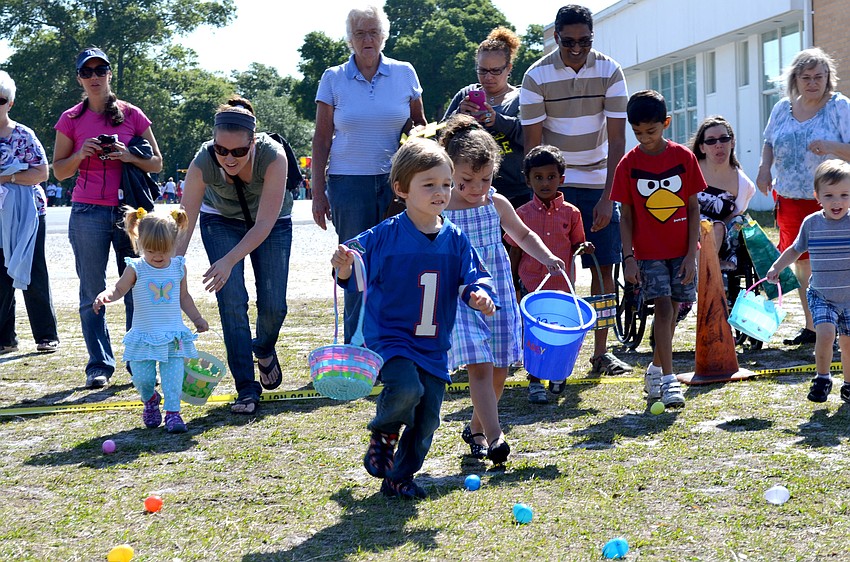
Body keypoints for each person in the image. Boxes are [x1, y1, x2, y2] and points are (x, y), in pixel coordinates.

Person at [332, 138, 496, 499]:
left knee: (427, 420)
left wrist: (478, 294)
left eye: (446, 184)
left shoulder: (455, 239)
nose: (440, 192)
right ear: (401, 189)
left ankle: (399, 476)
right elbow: (351, 266)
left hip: (435, 344)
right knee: (407, 388)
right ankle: (384, 431)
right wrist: (343, 265)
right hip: (391, 337)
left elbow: (473, 276)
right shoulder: (384, 235)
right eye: (429, 185)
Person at [440, 115, 564, 463]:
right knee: (479, 365)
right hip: (462, 294)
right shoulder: (441, 206)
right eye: (467, 180)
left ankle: (477, 428)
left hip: (498, 293)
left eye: (485, 178)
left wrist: (548, 256)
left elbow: (523, 235)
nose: (478, 187)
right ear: (448, 171)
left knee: (499, 370)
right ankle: (495, 437)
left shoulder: (495, 202)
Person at [520, 4, 631, 376]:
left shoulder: (611, 70)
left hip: (598, 182)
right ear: (556, 37)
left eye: (585, 41)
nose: (577, 49)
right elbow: (533, 150)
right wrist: (540, 196)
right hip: (555, 189)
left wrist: (608, 196)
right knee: (547, 274)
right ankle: (544, 351)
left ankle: (601, 354)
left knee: (603, 271)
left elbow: (618, 141)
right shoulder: (535, 76)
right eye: (569, 42)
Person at [312, 4, 427, 343]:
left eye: (373, 32)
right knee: (354, 265)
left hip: (399, 184)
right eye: (360, 33)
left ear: (383, 36)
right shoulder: (333, 78)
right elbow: (320, 140)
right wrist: (319, 193)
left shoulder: (405, 72)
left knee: (398, 261)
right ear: (349, 39)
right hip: (348, 184)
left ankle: (396, 344)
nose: (367, 39)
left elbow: (418, 126)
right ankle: (356, 346)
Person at [53, 47, 163, 388]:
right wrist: (80, 154)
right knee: (91, 290)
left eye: (101, 70)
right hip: (86, 211)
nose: (95, 77)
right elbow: (58, 172)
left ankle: (136, 360)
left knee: (135, 288)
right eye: (88, 72)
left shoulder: (132, 114)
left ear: (109, 74)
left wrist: (128, 155)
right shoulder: (70, 119)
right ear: (79, 79)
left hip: (130, 212)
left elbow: (156, 162)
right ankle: (99, 365)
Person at [177, 97, 292, 416]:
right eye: (221, 150)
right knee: (231, 299)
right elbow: (185, 219)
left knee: (273, 303)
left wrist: (229, 260)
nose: (229, 158)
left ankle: (264, 348)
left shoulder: (274, 156)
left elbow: (265, 224)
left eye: (239, 151)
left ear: (253, 143)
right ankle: (246, 387)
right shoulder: (203, 160)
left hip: (272, 222)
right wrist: (173, 265)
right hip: (221, 220)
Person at [610, 90, 703, 408]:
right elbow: (626, 216)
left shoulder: (684, 158)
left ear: (666, 123)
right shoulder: (628, 164)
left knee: (674, 311)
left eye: (651, 131)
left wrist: (692, 254)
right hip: (647, 254)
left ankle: (655, 368)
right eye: (637, 133)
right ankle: (668, 381)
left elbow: (693, 209)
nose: (645, 138)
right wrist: (628, 257)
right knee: (662, 309)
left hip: (682, 252)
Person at [756, 47, 850, 346]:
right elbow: (769, 141)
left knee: (836, 263)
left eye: (819, 77)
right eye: (806, 77)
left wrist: (830, 145)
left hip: (831, 198)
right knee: (803, 263)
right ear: (795, 79)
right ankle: (813, 326)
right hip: (790, 198)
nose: (812, 83)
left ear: (828, 78)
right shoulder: (782, 108)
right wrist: (763, 169)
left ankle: (840, 324)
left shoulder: (839, 107)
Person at [93, 207, 208, 433]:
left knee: (173, 379)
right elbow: (119, 289)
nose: (157, 256)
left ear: (174, 244)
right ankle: (151, 399)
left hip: (173, 335)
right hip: (144, 336)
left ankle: (173, 413)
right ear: (140, 242)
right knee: (143, 379)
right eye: (151, 250)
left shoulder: (178, 267)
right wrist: (105, 296)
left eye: (163, 251)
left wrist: (197, 318)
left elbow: (184, 297)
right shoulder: (136, 267)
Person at [506, 145, 592, 403]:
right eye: (538, 177)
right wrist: (512, 283)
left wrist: (583, 247)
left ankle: (557, 374)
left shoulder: (572, 213)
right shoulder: (520, 214)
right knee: (534, 334)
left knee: (560, 332)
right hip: (532, 285)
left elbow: (577, 243)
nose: (545, 182)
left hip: (562, 287)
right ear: (528, 179)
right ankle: (534, 381)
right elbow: (515, 251)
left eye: (551, 177)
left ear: (561, 179)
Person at [768, 160, 850, 403]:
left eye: (844, 195)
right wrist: (776, 267)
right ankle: (822, 378)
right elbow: (795, 249)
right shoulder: (812, 223)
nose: (837, 201)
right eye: (830, 195)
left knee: (848, 342)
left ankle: (848, 384)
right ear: (817, 196)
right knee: (825, 334)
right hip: (823, 294)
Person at [0, 70, 60, 355]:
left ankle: (46, 335)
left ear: (10, 103)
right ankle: (5, 338)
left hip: (28, 214)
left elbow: (41, 172)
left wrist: (8, 178)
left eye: (0, 99)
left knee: (34, 271)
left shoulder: (24, 135)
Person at [442, 26, 530, 208]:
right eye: (482, 71)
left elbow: (531, 138)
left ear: (509, 68)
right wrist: (458, 116)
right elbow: (440, 137)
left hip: (517, 192)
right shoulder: (466, 94)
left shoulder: (522, 97)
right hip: (469, 193)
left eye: (495, 71)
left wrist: (498, 121)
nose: (488, 77)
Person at [690, 116, 756, 270]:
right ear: (702, 147)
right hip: (687, 229)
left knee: (718, 227)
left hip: (721, 238)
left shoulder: (744, 184)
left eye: (723, 139)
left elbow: (734, 216)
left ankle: (706, 276)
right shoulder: (690, 170)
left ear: (732, 142)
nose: (718, 145)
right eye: (711, 141)